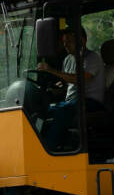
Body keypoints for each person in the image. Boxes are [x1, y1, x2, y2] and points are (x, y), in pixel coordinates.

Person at [37, 22, 105, 152]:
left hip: (91, 102)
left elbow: (79, 80)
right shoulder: (68, 59)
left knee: (63, 110)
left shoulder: (92, 58)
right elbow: (68, 84)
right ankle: (39, 142)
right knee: (43, 108)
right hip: (72, 102)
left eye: (68, 41)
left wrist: (50, 70)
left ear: (82, 40)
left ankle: (47, 149)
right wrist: (56, 90)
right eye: (63, 41)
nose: (65, 44)